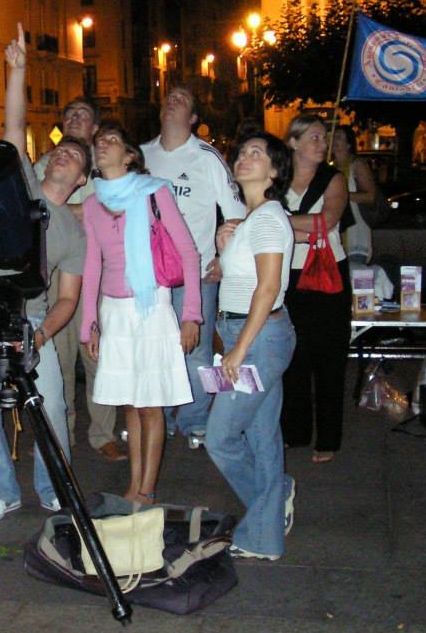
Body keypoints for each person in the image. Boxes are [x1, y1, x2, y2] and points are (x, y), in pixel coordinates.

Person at [0, 24, 88, 523]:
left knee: (52, 413)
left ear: (81, 180)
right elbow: (13, 132)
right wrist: (17, 70)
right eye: (61, 148)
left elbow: (67, 299)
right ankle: (1, 488)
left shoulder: (75, 233)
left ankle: (51, 485)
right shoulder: (24, 188)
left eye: (75, 156)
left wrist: (41, 335)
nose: (64, 153)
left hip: (29, 327)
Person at [81, 123, 201, 504]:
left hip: (151, 308)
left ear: (130, 156)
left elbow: (189, 253)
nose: (102, 146)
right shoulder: (91, 204)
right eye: (99, 142)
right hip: (114, 312)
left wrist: (192, 314)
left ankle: (146, 489)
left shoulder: (154, 193)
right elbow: (92, 266)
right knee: (130, 402)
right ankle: (134, 484)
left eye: (111, 141)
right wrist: (90, 324)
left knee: (151, 403)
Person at [208, 131, 297, 561]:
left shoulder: (267, 219)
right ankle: (265, 539)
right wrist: (225, 246)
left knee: (220, 437)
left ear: (275, 171)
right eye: (242, 152)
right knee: (263, 438)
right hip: (252, 334)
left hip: (258, 340)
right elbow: (235, 278)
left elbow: (268, 289)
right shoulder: (252, 219)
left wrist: (238, 351)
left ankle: (274, 498)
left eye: (257, 154)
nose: (244, 158)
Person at [141, 86, 245, 448]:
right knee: (155, 347)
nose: (173, 101)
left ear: (194, 118)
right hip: (149, 276)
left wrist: (224, 260)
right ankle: (161, 416)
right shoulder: (141, 155)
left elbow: (236, 215)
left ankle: (194, 419)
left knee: (195, 349)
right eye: (169, 97)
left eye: (183, 99)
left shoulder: (207, 157)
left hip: (195, 274)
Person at [34, 96, 127, 461]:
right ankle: (62, 431)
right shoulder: (48, 161)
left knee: (98, 356)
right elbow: (41, 208)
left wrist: (70, 210)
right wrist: (84, 212)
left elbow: (111, 211)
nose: (74, 118)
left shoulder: (103, 166)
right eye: (69, 113)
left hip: (98, 273)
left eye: (83, 115)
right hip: (57, 273)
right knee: (58, 355)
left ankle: (103, 433)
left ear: (94, 127)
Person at [281, 116, 351, 464]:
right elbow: (258, 219)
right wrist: (300, 228)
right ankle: (294, 433)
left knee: (328, 357)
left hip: (327, 275)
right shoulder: (277, 180)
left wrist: (282, 222)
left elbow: (327, 222)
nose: (321, 144)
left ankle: (328, 439)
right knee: (293, 357)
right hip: (288, 275)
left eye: (324, 138)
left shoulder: (333, 179)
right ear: (293, 142)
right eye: (313, 137)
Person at [331, 127, 376, 264]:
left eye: (339, 137)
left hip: (355, 231)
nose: (334, 140)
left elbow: (370, 196)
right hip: (336, 234)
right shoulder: (331, 167)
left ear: (349, 144)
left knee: (356, 276)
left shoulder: (356, 165)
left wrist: (342, 195)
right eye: (334, 136)